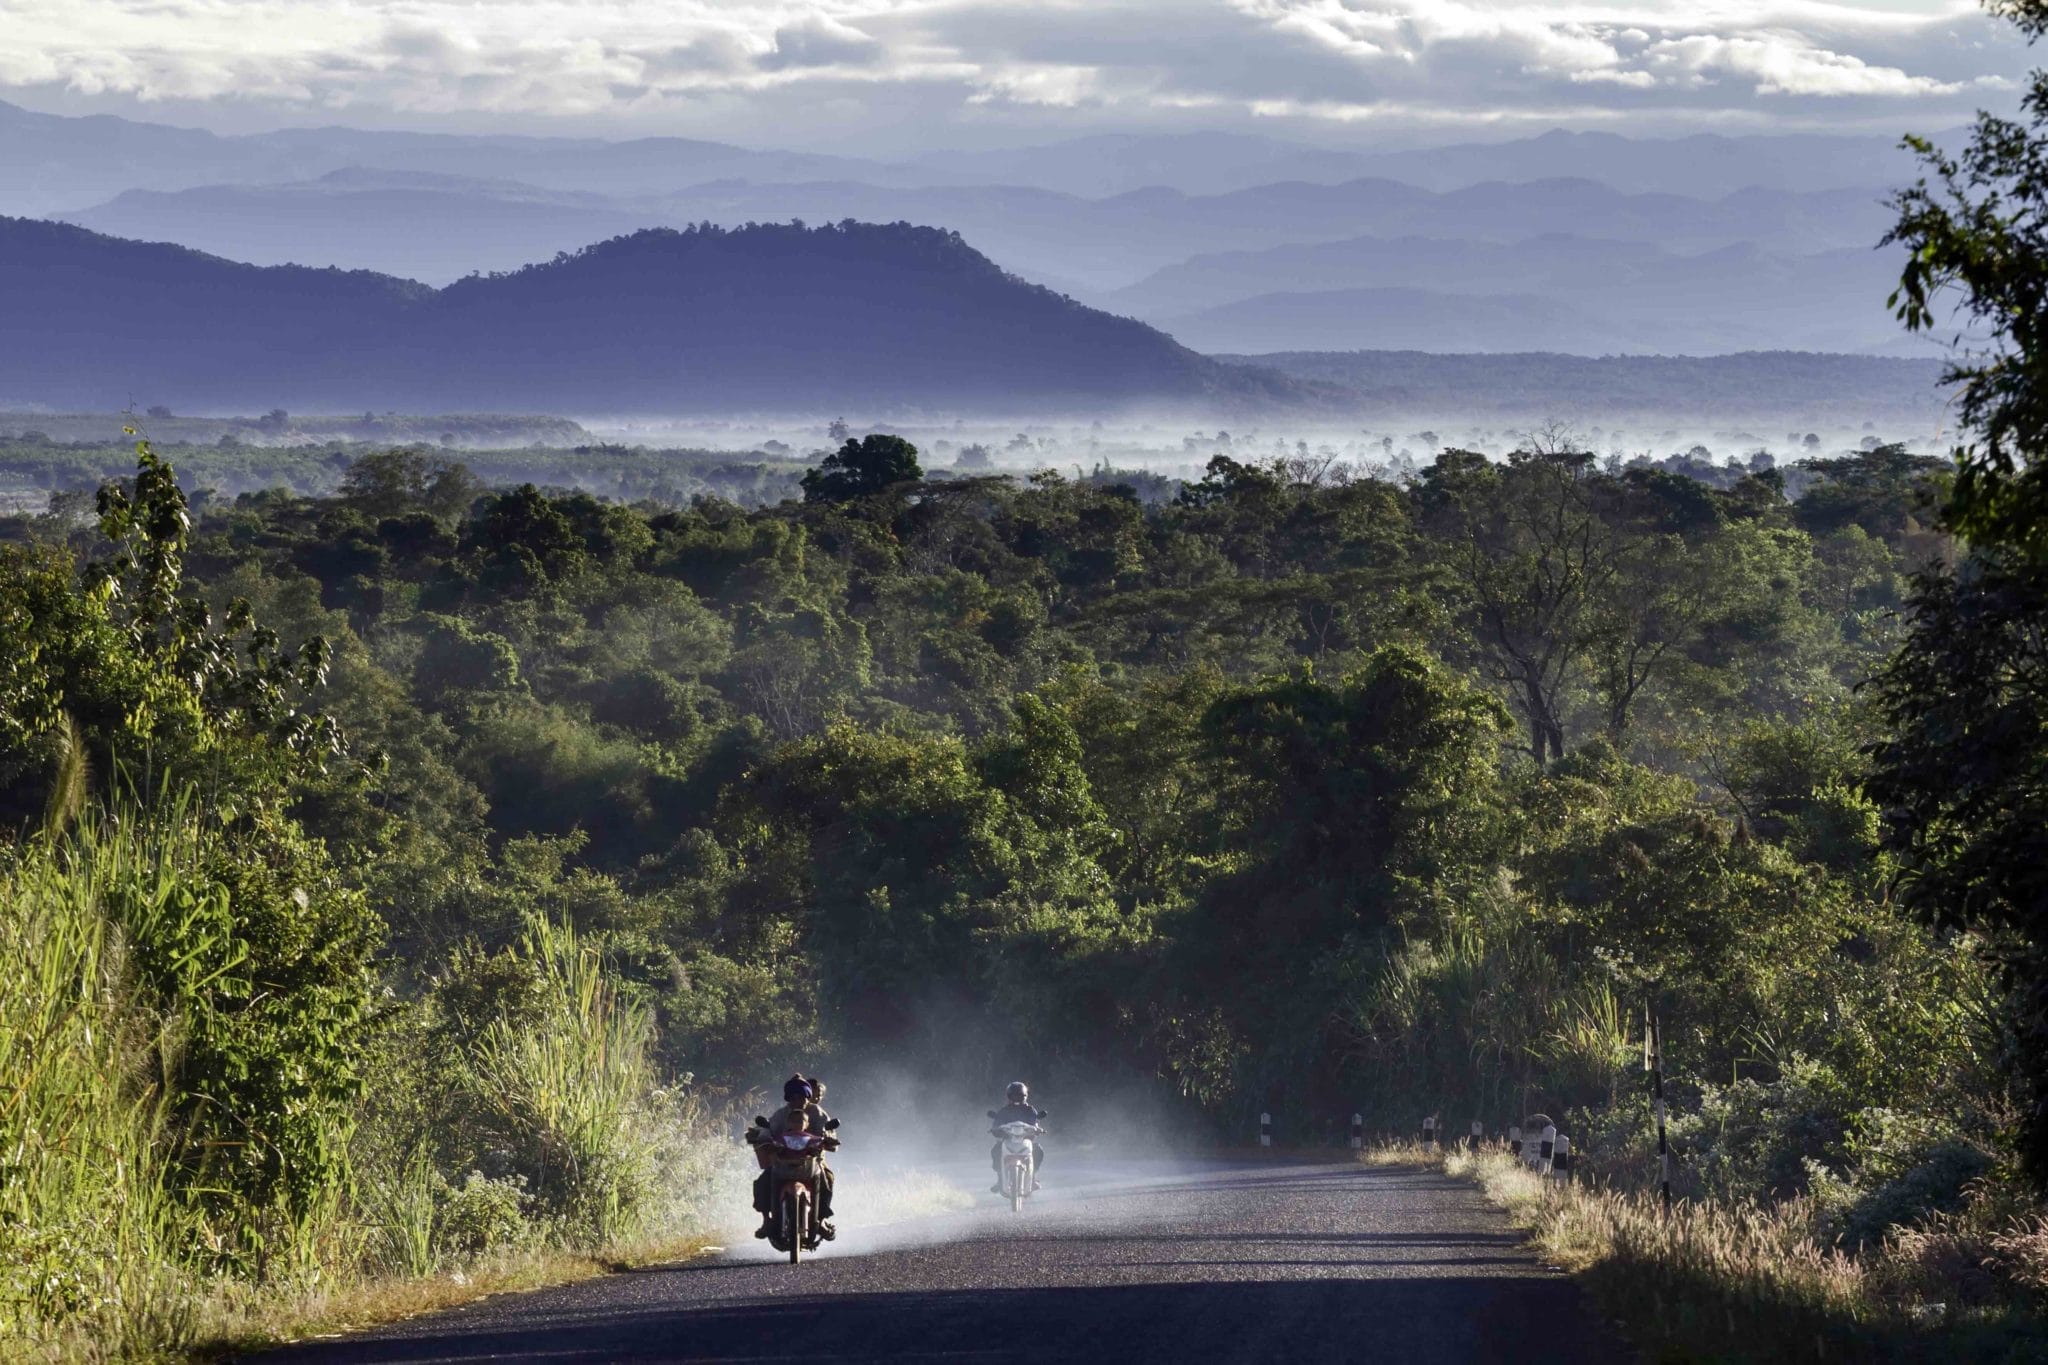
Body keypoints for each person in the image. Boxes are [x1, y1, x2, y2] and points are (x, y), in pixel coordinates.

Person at [750, 1075, 837, 1239]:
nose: (798, 1100)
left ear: (808, 1097)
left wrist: (829, 1139)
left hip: (812, 1162)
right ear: (788, 1099)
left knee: (828, 1179)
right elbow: (768, 1129)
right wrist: (762, 1138)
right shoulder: (780, 1115)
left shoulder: (817, 1113)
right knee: (762, 1182)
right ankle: (766, 1220)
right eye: (793, 1097)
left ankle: (822, 1220)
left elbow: (828, 1131)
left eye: (802, 1097)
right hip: (782, 1161)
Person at [988, 1080, 1047, 1193]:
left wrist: (1038, 1129)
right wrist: (995, 1129)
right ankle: (1000, 1180)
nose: (1016, 1098)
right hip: (1008, 1140)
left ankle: (1033, 1178)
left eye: (1019, 1095)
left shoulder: (1030, 1110)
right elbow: (996, 1123)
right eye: (1013, 1095)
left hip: (1026, 1140)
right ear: (1009, 1096)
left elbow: (1035, 1122)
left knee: (1038, 1150)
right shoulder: (1004, 1111)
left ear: (1024, 1096)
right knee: (995, 1150)